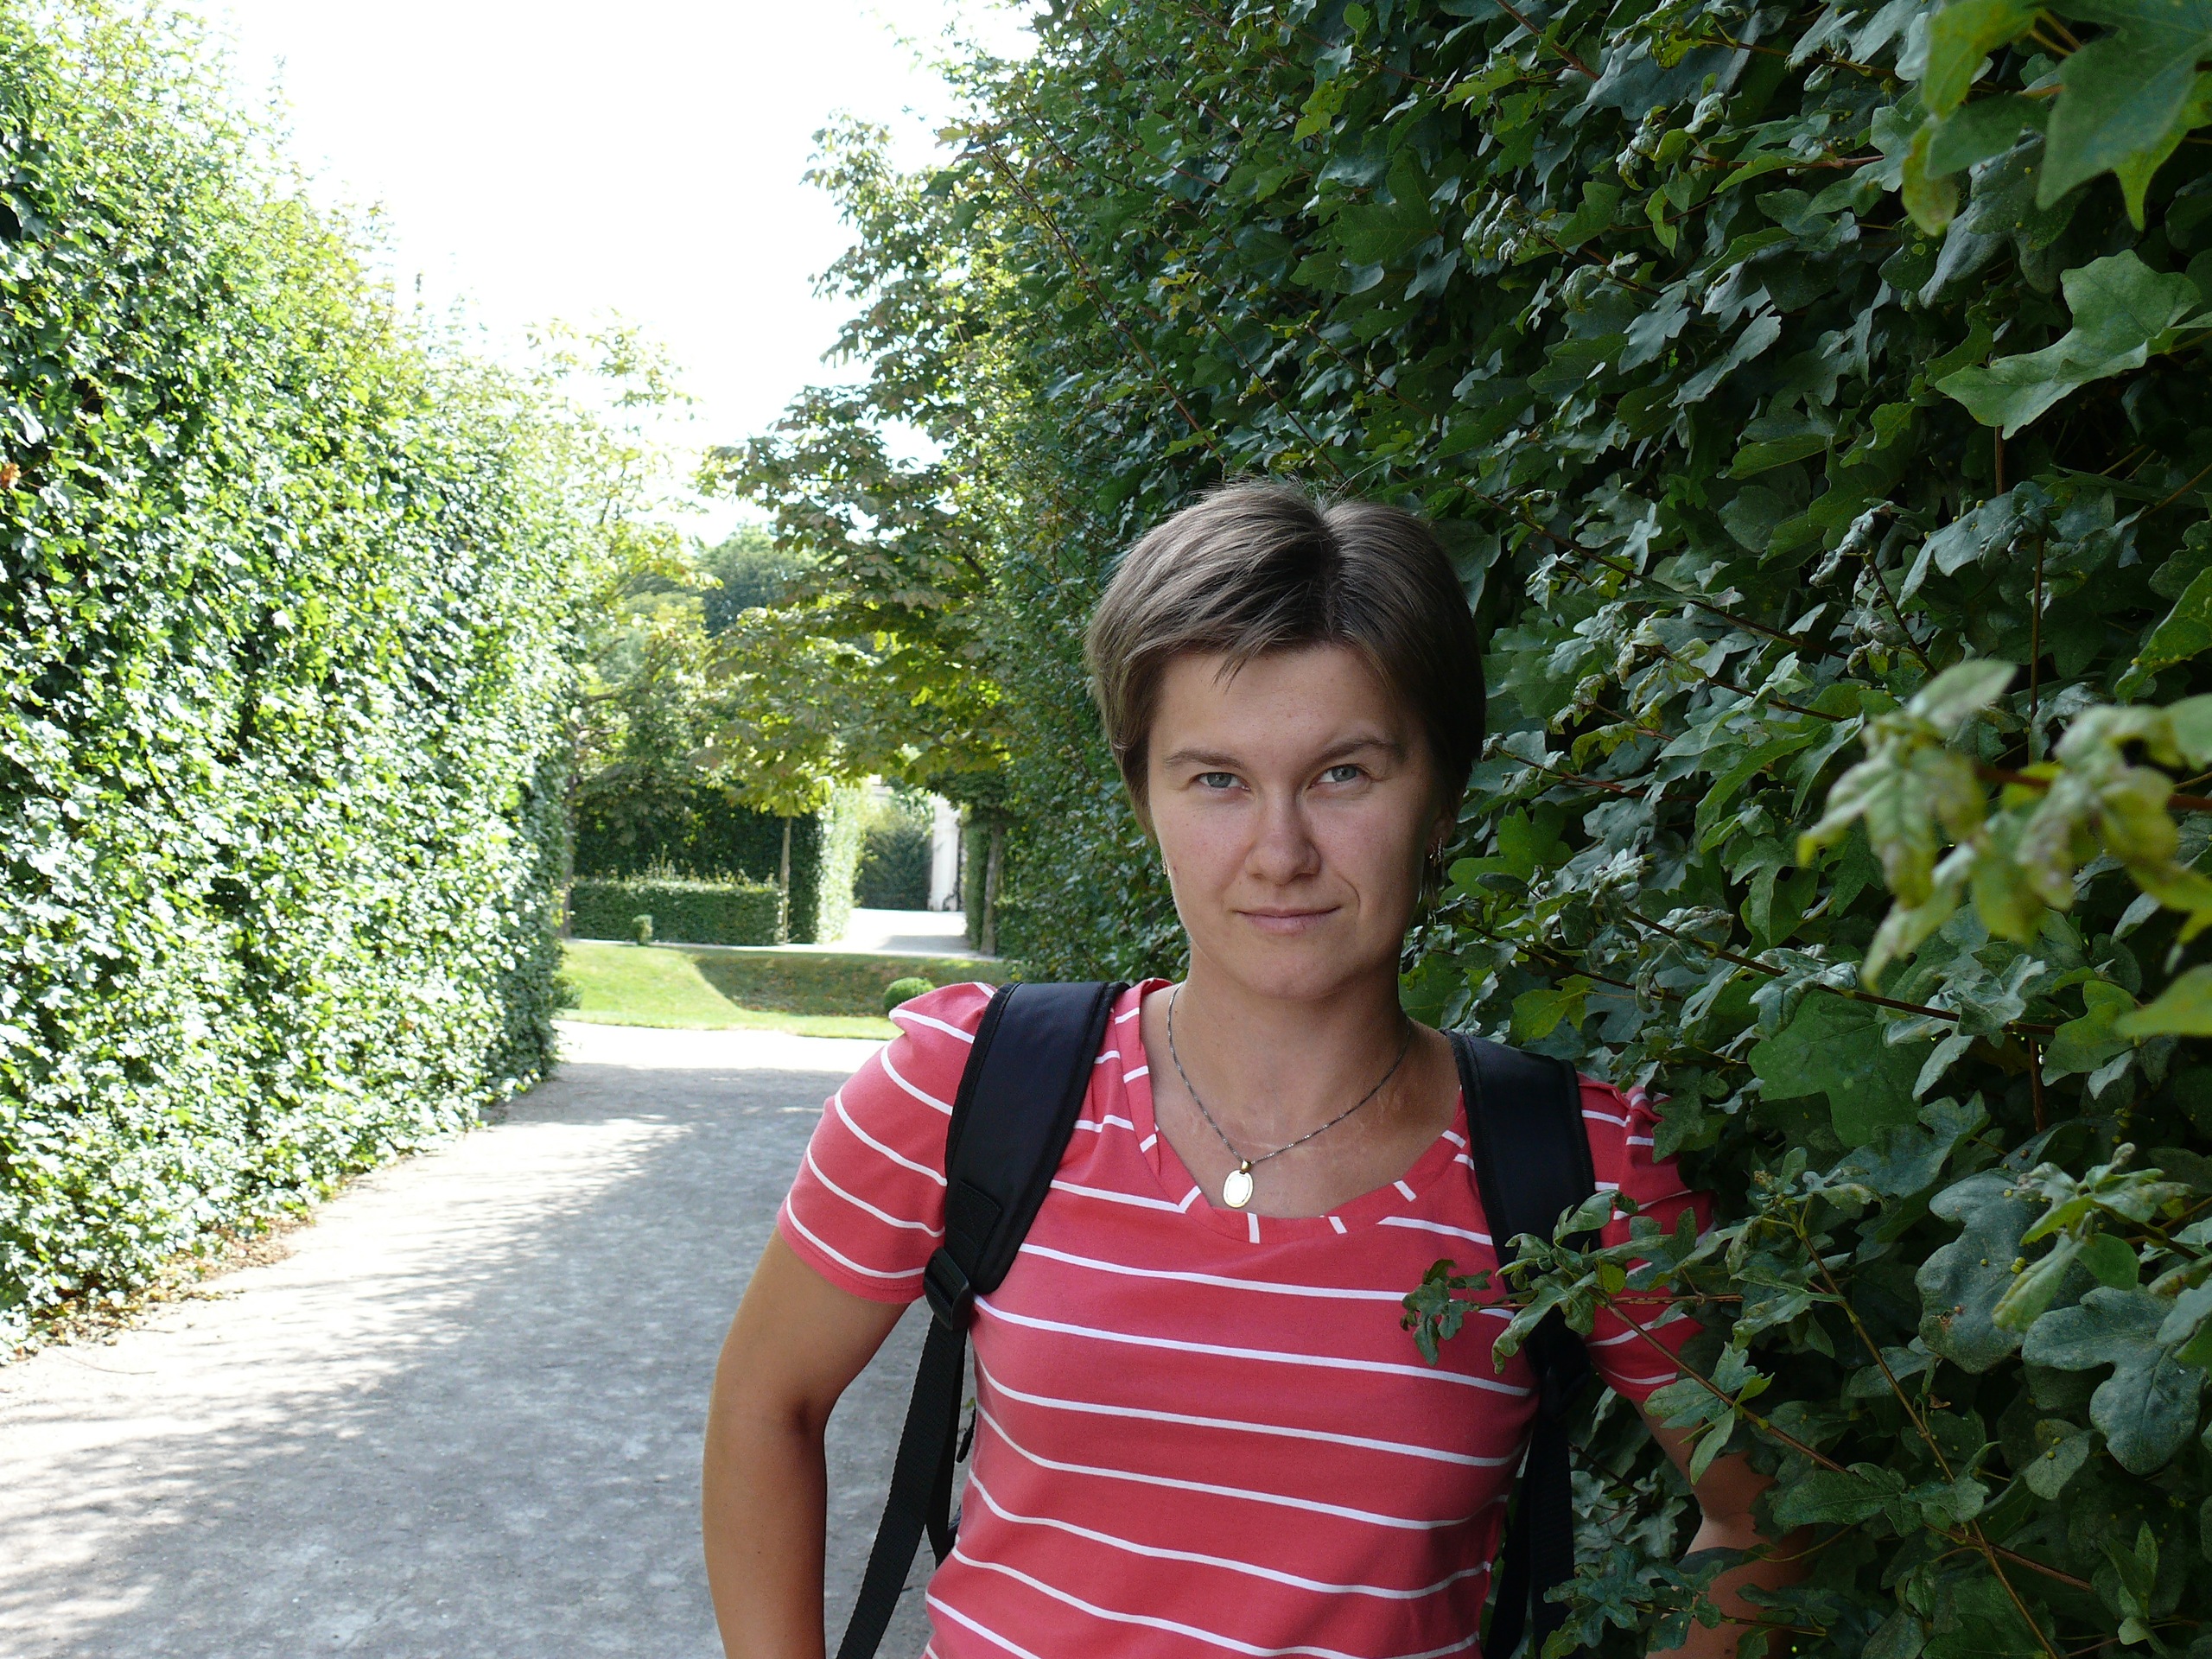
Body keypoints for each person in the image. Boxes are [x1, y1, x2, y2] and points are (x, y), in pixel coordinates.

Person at [702, 482, 1801, 1658]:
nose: (1281, 852)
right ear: (1145, 800)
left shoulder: (1581, 1170)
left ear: (1443, 796)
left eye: (1344, 774)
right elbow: (767, 1405)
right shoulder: (969, 1087)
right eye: (1216, 778)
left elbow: (1774, 1512)